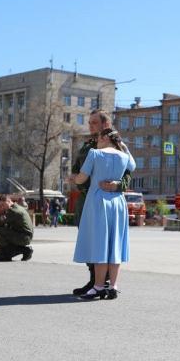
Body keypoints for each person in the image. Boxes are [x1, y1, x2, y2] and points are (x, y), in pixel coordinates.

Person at [69, 127, 136, 300]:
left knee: (100, 244)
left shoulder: (95, 154)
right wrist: (123, 146)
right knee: (115, 244)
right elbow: (133, 166)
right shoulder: (124, 156)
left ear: (106, 138)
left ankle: (98, 287)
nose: (97, 142)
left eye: (99, 138)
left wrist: (74, 179)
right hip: (118, 202)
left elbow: (82, 178)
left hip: (98, 201)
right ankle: (112, 286)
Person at [0, 195, 34, 261]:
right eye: (0, 205)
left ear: (8, 201)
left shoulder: (13, 211)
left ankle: (23, 250)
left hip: (23, 237)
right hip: (23, 235)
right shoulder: (16, 207)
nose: (2, 207)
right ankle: (17, 250)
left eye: (3, 204)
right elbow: (5, 226)